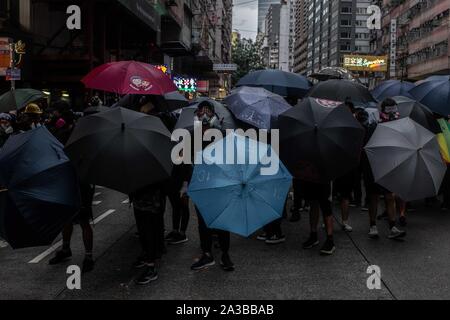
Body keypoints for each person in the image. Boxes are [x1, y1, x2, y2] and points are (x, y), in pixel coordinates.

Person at [190, 101, 234, 272]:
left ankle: (225, 254)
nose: (204, 115)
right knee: (203, 222)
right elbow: (188, 160)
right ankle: (207, 253)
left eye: (207, 113)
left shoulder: (222, 135)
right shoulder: (193, 136)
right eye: (201, 113)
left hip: (220, 184)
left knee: (222, 221)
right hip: (202, 184)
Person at [362, 98, 406, 240]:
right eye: (389, 110)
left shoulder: (399, 125)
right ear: (383, 110)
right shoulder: (374, 125)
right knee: (374, 197)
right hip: (374, 166)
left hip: (390, 165)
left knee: (390, 196)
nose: (392, 113)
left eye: (394, 109)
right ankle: (373, 226)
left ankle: (392, 227)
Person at [302, 180, 336, 255]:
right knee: (313, 204)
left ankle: (330, 240)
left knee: (326, 206)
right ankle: (313, 235)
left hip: (324, 178)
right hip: (311, 177)